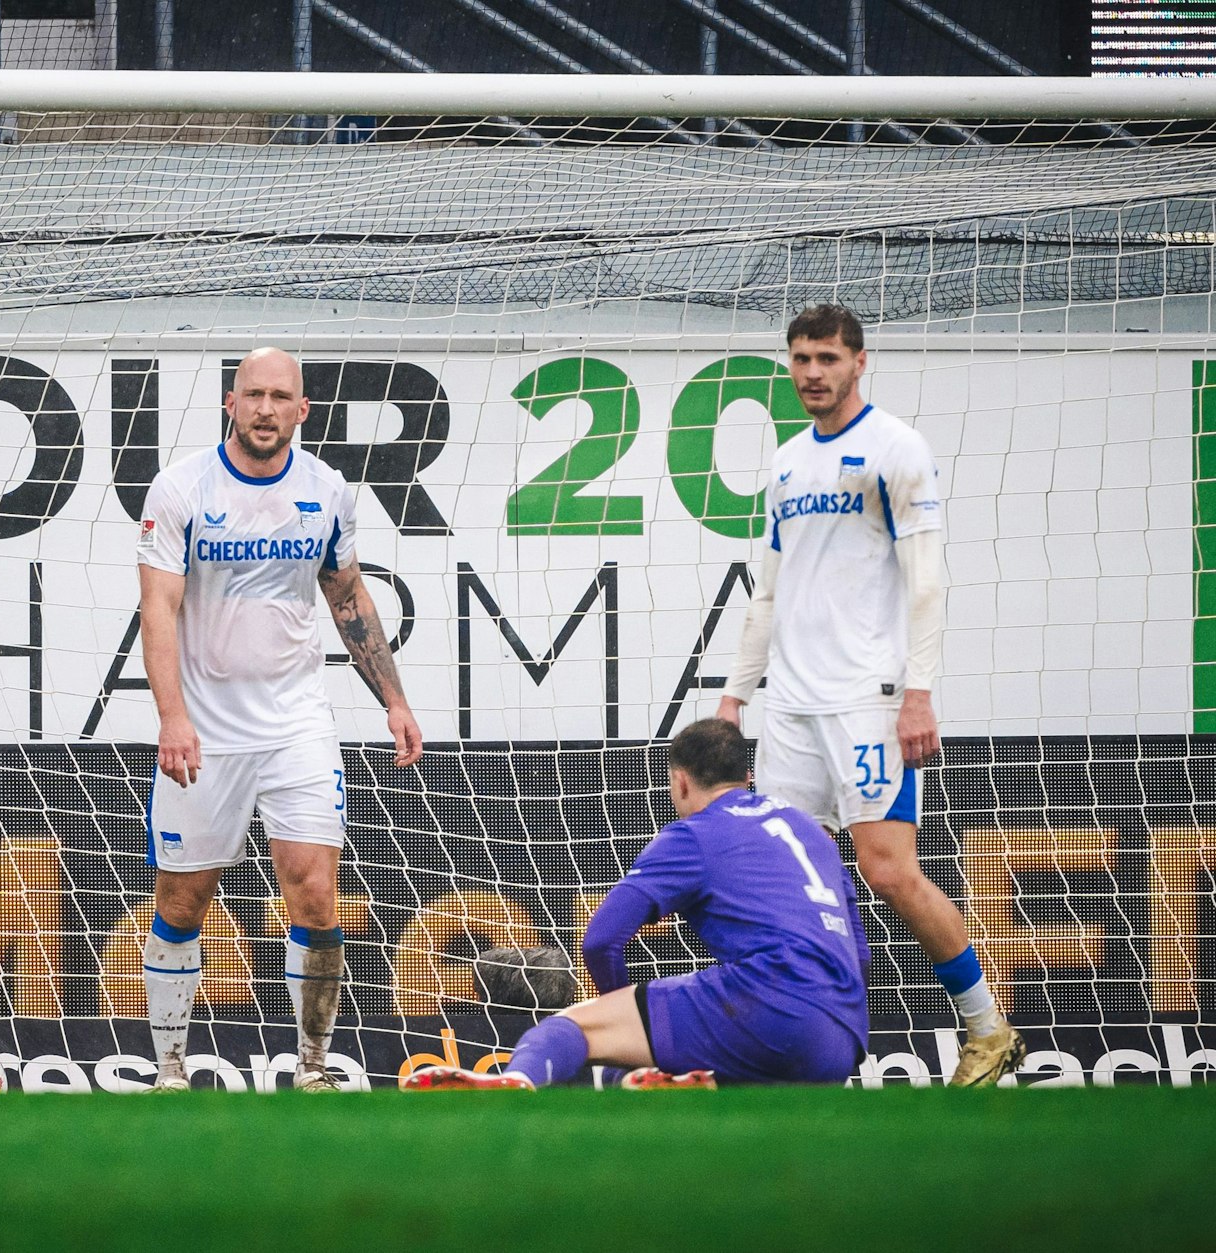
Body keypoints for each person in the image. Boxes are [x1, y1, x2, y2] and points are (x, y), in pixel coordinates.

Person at [717, 304, 1024, 1086]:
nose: (812, 372)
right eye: (800, 358)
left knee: (887, 871)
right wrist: (734, 698)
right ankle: (811, 1044)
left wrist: (918, 693)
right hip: (790, 705)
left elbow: (926, 582)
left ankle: (987, 1027)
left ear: (859, 362)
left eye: (827, 358)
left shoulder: (896, 448)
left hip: (868, 699)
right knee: (793, 879)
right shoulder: (788, 462)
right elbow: (768, 592)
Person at [135, 346, 424, 1092]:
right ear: (230, 404)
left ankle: (313, 1069)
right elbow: (157, 609)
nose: (266, 409)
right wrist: (172, 716)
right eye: (253, 395)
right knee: (182, 902)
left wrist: (394, 700)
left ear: (302, 409)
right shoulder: (181, 488)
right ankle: (170, 1069)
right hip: (205, 730)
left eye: (280, 397)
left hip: (297, 725)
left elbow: (347, 596)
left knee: (317, 895)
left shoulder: (326, 489)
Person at [403, 718, 868, 1091]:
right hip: (842, 1036)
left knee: (569, 1029)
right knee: (710, 1087)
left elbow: (601, 939)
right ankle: (688, 1083)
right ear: (747, 778)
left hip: (768, 1006)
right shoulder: (809, 830)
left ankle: (517, 1082)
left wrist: (619, 1011)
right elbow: (861, 952)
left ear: (680, 782)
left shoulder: (694, 834)